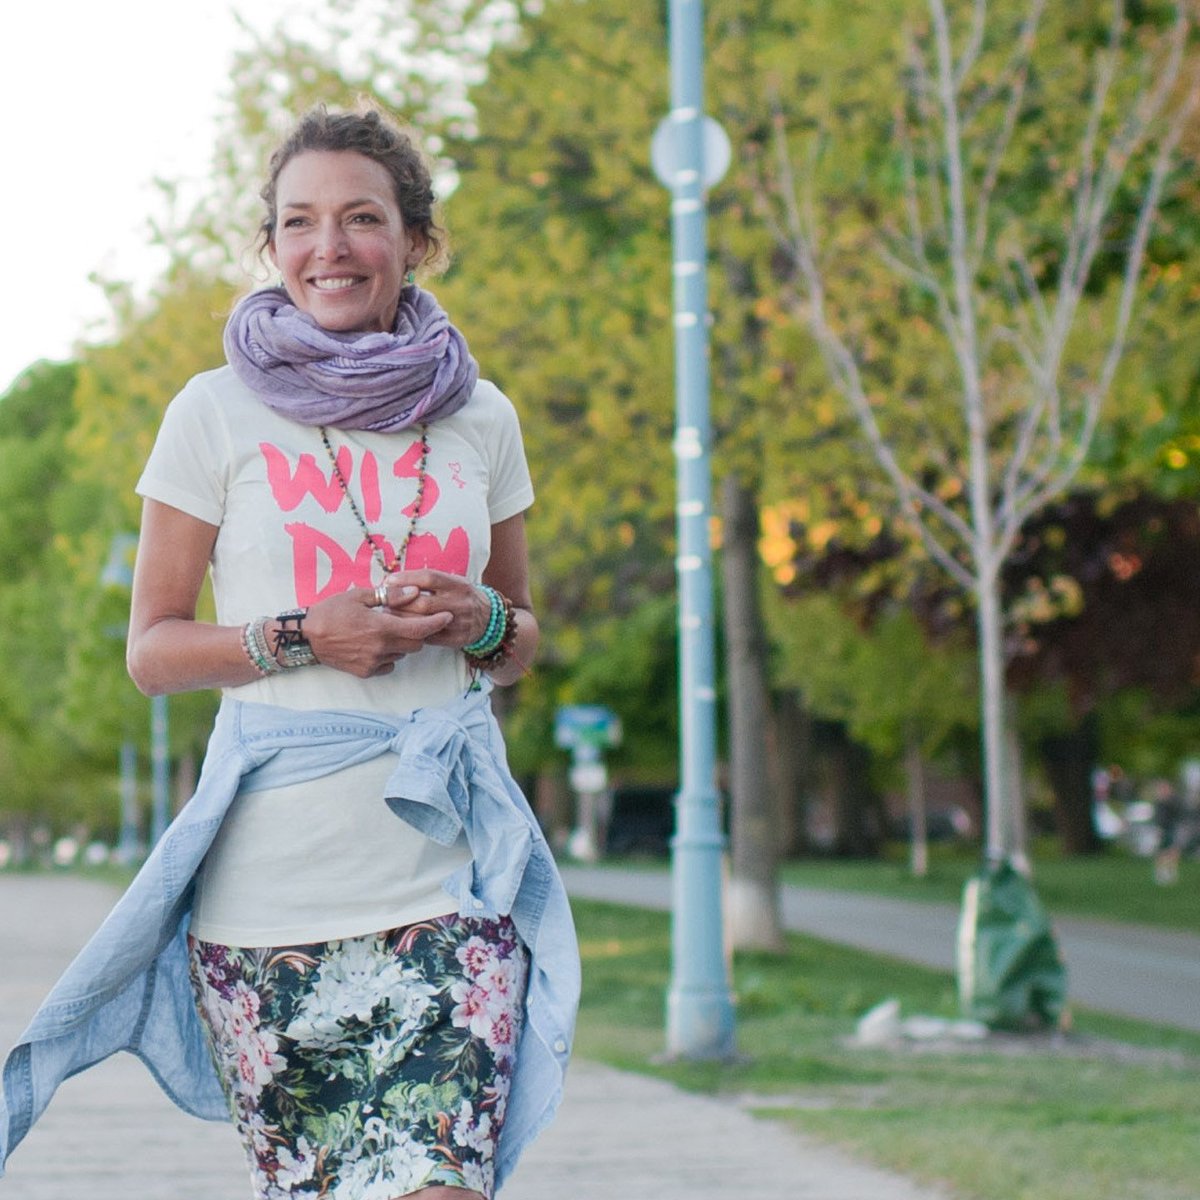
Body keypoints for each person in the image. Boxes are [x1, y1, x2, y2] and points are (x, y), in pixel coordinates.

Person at [0, 105, 579, 1200]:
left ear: (416, 239)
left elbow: (521, 636)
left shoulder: (481, 419)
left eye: (363, 218)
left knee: (442, 1185)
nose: (331, 247)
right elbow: (154, 650)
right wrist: (308, 636)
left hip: (449, 886)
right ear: (272, 248)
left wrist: (481, 622)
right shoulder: (213, 415)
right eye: (300, 222)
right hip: (270, 905)